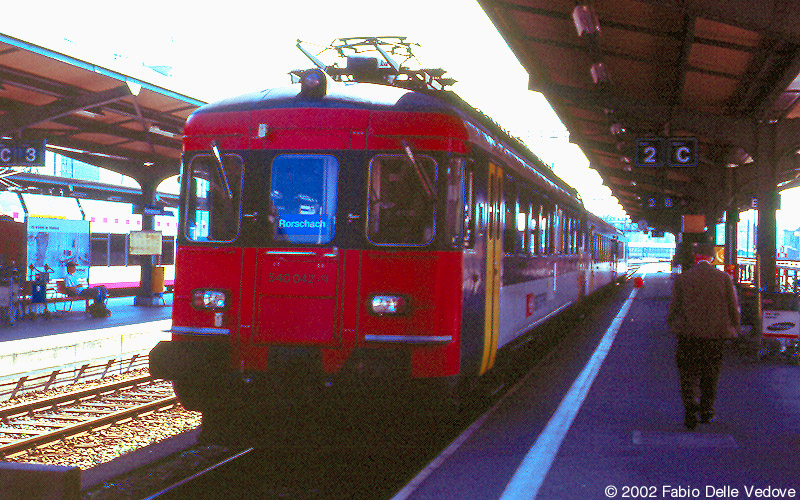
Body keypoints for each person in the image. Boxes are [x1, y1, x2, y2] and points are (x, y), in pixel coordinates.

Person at [667, 246, 740, 429]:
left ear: (696, 257)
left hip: (688, 335)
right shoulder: (723, 278)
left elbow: (674, 306)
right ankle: (707, 411)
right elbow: (733, 306)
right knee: (710, 374)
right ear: (712, 257)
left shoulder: (683, 278)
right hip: (715, 336)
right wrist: (735, 327)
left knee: (688, 374)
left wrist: (672, 324)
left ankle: (690, 409)